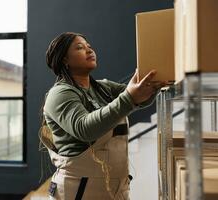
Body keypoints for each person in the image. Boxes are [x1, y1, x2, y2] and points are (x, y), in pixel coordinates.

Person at [39, 32, 166, 200]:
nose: (89, 50)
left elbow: (139, 99)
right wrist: (129, 97)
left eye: (89, 47)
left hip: (115, 190)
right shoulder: (60, 94)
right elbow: (85, 129)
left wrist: (154, 84)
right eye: (80, 48)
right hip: (79, 191)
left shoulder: (103, 87)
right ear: (64, 60)